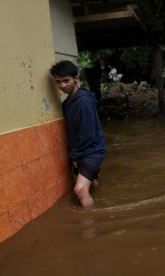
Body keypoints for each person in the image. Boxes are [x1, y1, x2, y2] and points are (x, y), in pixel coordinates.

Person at [50, 60, 106, 208]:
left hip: (91, 151)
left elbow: (87, 135)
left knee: (80, 189)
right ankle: (98, 200)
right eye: (58, 82)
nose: (62, 85)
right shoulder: (69, 102)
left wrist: (75, 156)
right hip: (84, 151)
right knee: (91, 183)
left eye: (66, 80)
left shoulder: (83, 101)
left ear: (76, 78)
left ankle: (90, 224)